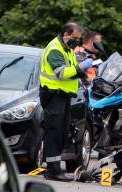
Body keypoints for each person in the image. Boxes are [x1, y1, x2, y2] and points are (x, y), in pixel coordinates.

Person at [39, 22, 94, 181]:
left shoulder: (66, 49)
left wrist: (82, 73)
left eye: (79, 38)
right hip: (53, 95)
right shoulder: (55, 49)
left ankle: (56, 169)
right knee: (54, 132)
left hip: (63, 96)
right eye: (75, 38)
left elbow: (72, 69)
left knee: (62, 133)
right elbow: (62, 73)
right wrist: (81, 67)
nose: (77, 41)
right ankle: (53, 171)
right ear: (65, 34)